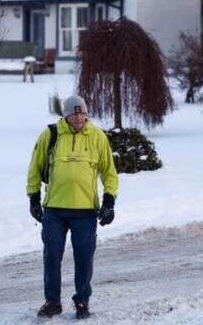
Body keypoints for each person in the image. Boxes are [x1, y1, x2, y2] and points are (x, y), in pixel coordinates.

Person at [26, 95, 118, 320]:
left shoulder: (97, 137)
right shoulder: (51, 135)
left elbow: (109, 173)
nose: (78, 118)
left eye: (82, 113)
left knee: (84, 258)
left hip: (85, 211)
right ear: (65, 116)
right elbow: (34, 169)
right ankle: (53, 302)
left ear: (86, 114)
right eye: (74, 113)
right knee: (51, 257)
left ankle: (82, 301)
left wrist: (109, 202)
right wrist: (33, 199)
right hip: (54, 211)